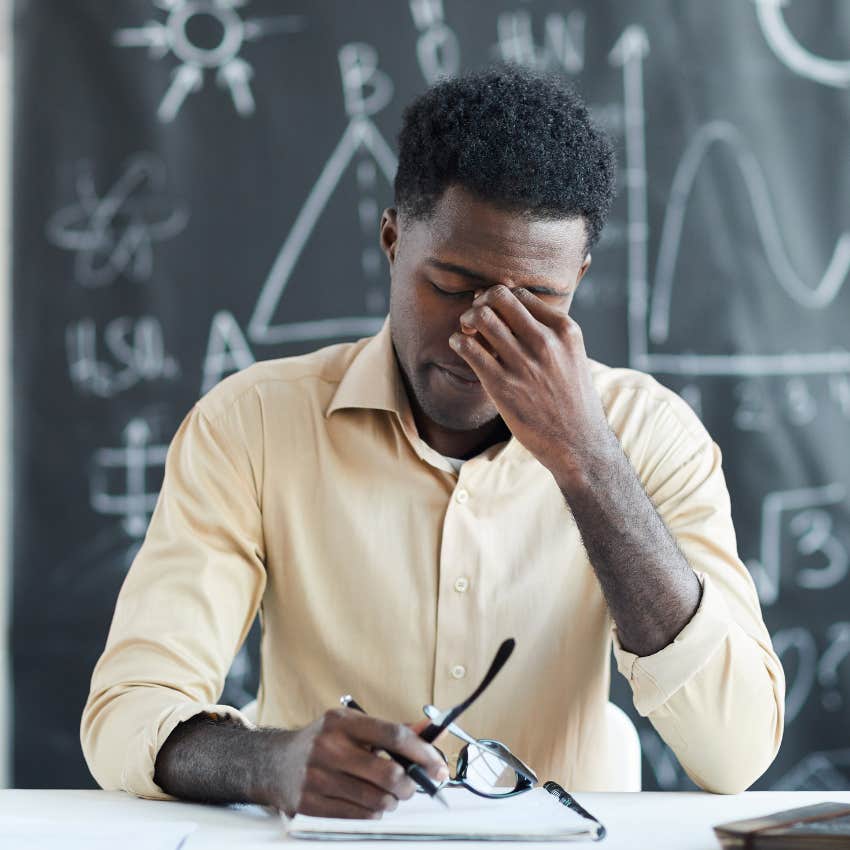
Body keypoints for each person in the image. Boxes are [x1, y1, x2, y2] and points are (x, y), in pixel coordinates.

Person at [81, 66, 784, 817]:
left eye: (537, 301)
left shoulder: (651, 435)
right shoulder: (251, 424)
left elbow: (734, 751)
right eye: (451, 286)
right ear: (391, 239)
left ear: (578, 277)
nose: (481, 331)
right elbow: (127, 714)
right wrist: (271, 761)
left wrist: (587, 457)